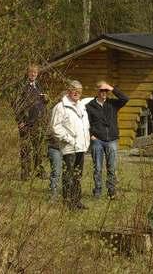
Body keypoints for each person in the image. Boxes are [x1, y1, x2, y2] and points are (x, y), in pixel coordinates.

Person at [50, 80, 92, 210]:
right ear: (68, 90)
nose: (77, 93)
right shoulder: (61, 107)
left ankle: (76, 201)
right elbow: (55, 127)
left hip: (80, 146)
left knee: (77, 175)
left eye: (79, 91)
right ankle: (68, 202)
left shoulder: (81, 106)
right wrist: (68, 139)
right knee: (69, 175)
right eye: (74, 90)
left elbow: (85, 125)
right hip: (69, 147)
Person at [85, 81, 129, 199]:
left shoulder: (112, 103)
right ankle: (98, 191)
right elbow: (85, 123)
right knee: (98, 168)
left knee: (112, 167)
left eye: (106, 91)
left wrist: (111, 88)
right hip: (97, 140)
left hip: (111, 140)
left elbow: (125, 98)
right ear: (97, 91)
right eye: (101, 90)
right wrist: (90, 135)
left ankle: (112, 191)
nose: (104, 93)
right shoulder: (90, 106)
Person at [14, 64, 48, 181]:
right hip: (26, 123)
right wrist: (20, 121)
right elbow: (16, 104)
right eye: (31, 72)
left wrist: (45, 99)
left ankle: (39, 171)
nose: (33, 74)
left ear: (37, 74)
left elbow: (43, 102)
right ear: (27, 73)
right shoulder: (22, 86)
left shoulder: (38, 85)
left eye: (35, 72)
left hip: (38, 123)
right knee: (25, 149)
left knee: (38, 148)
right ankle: (25, 174)